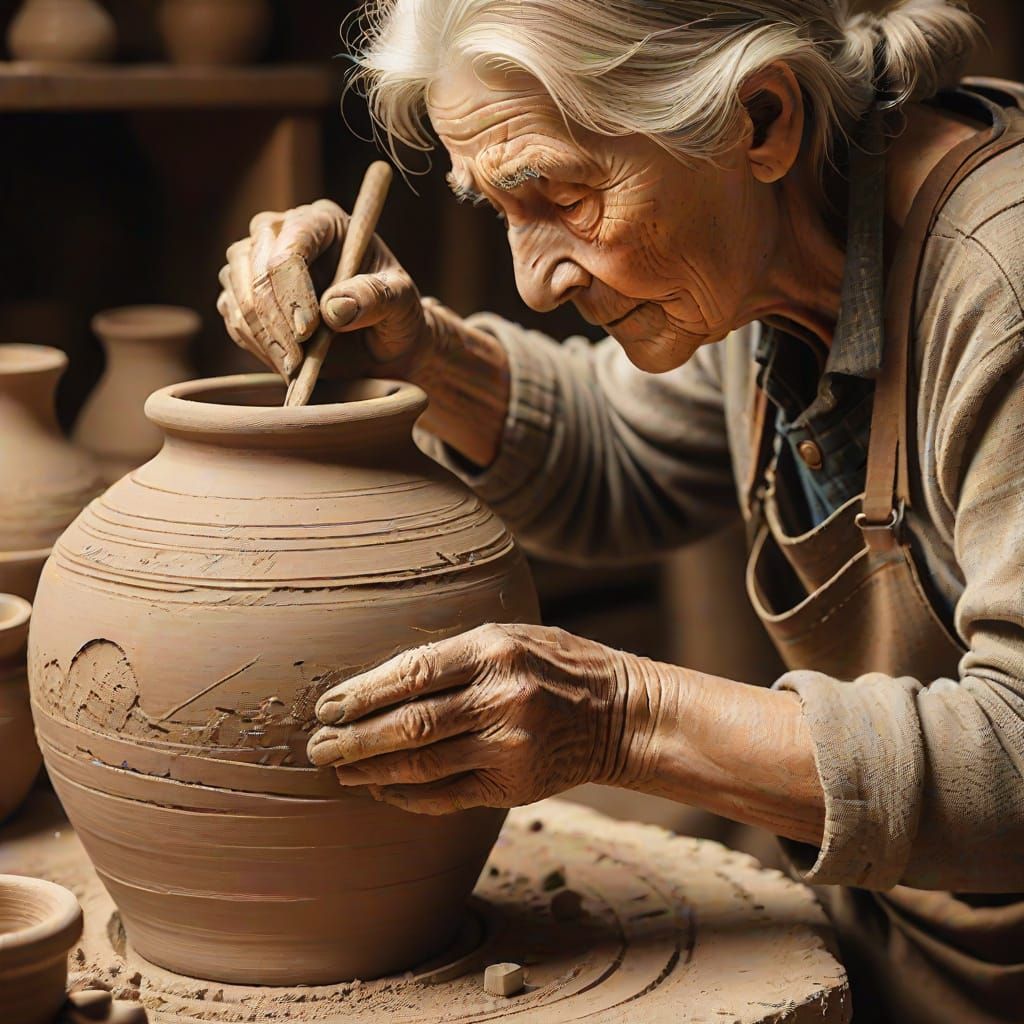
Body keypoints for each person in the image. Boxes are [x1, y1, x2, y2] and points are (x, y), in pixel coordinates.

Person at [217, 2, 1024, 1020]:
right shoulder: (777, 238)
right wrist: (418, 348)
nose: (535, 280)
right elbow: (625, 457)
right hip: (897, 922)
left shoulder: (1003, 282)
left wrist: (621, 719)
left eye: (559, 194)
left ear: (759, 120)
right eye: (498, 209)